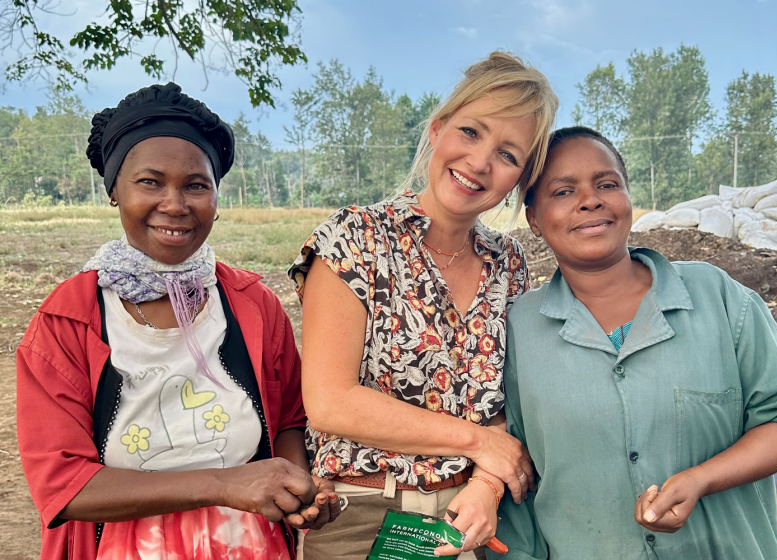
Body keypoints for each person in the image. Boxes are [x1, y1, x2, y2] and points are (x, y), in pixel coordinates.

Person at [16, 83, 340, 560]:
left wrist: (296, 489)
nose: (175, 204)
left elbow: (290, 418)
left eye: (196, 185)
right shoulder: (67, 321)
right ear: (113, 191)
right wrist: (223, 485)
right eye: (150, 182)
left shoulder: (253, 305)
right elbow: (64, 486)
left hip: (250, 544)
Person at [490, 126, 777, 560]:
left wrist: (703, 478)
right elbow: (519, 474)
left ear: (627, 199)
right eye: (563, 192)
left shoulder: (716, 297)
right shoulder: (518, 329)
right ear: (535, 220)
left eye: (607, 184)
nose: (590, 200)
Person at [287, 52, 559, 559]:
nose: (480, 162)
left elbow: (511, 398)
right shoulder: (355, 237)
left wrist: (488, 486)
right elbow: (330, 399)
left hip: (478, 519)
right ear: (437, 130)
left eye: (507, 154)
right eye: (472, 132)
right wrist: (477, 444)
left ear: (519, 180)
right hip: (364, 512)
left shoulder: (509, 264)